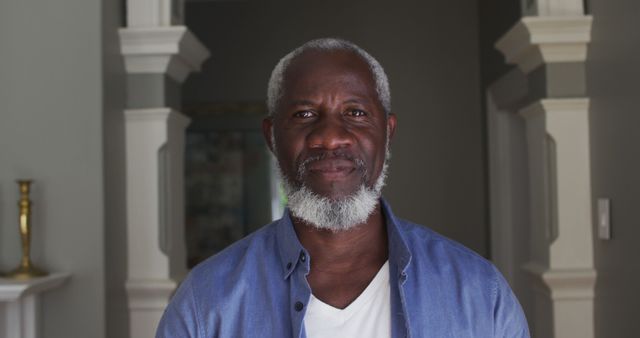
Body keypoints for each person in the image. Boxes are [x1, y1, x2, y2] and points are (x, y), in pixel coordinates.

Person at [156, 38, 530, 338]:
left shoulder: (481, 294)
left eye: (355, 113)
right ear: (272, 137)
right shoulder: (206, 304)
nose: (330, 137)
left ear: (388, 132)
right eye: (304, 114)